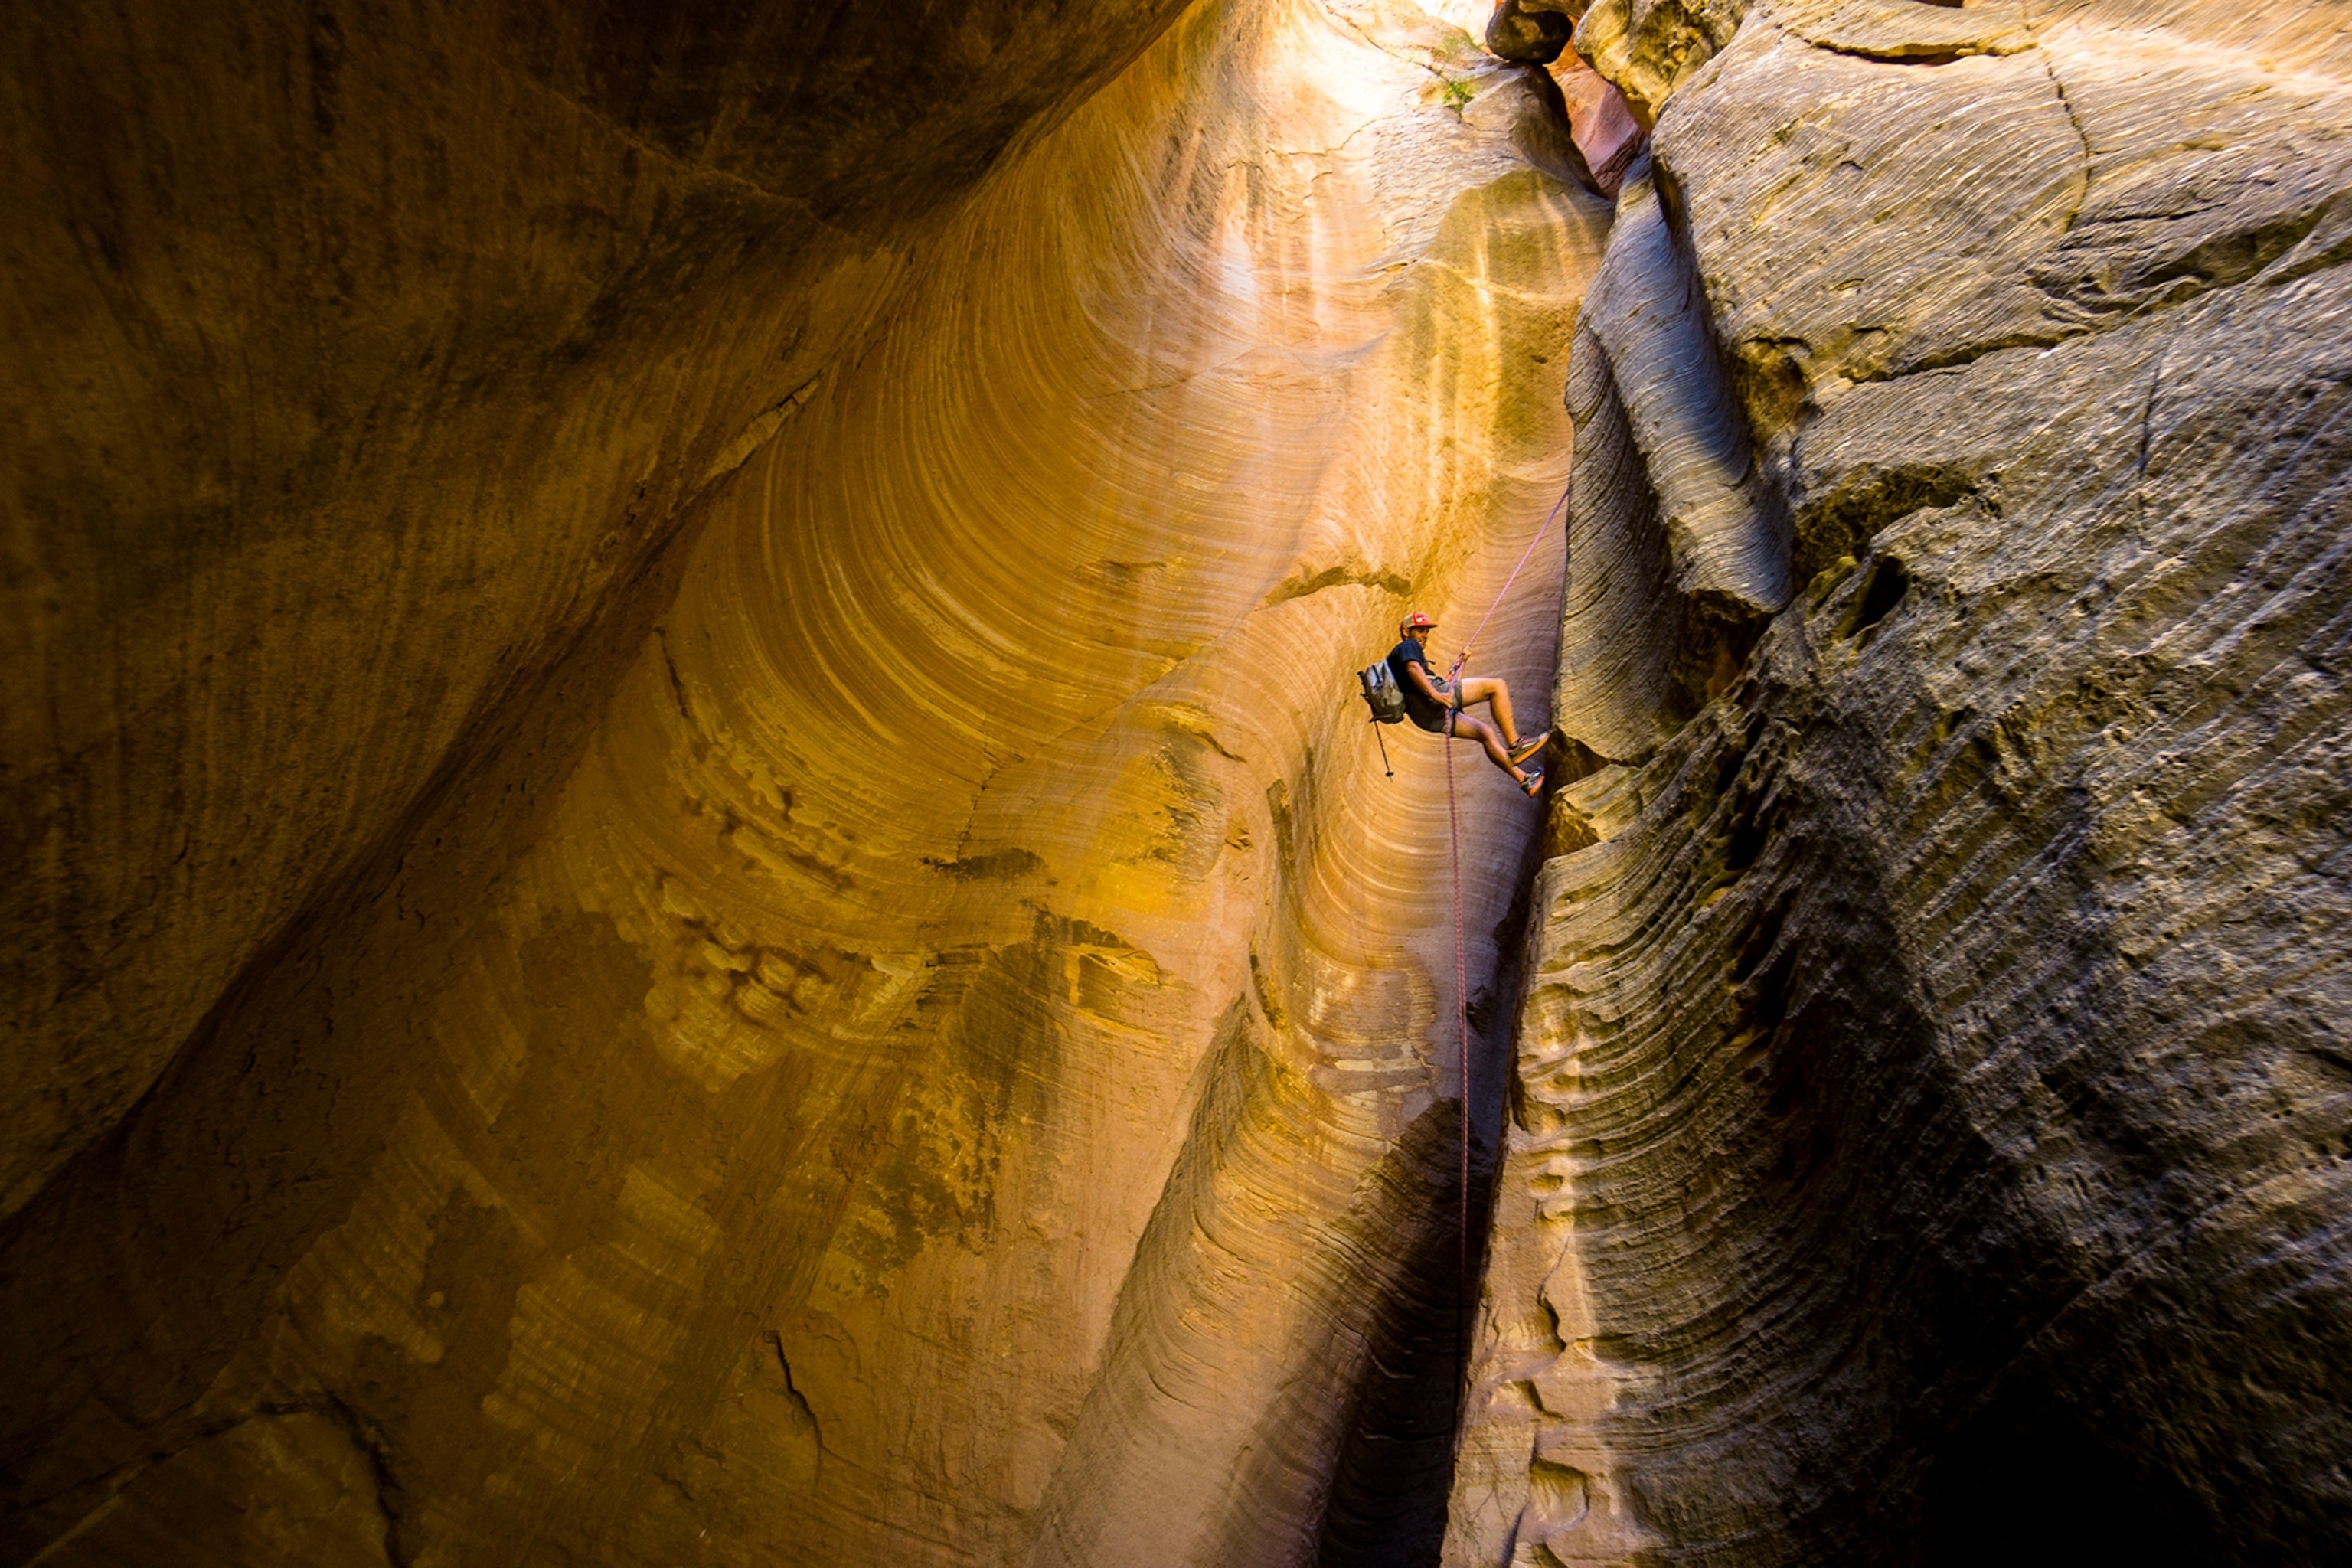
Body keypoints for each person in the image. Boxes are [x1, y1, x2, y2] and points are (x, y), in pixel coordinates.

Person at [1387, 612, 1548, 795]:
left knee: (1484, 733)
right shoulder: (1408, 646)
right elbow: (1414, 669)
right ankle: (1516, 744)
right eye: (1420, 631)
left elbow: (1446, 685)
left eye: (1426, 631)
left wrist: (1461, 663)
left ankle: (1526, 780)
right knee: (1496, 687)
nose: (1424, 635)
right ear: (1406, 632)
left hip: (1425, 716)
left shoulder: (1409, 658)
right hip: (1432, 701)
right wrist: (1435, 694)